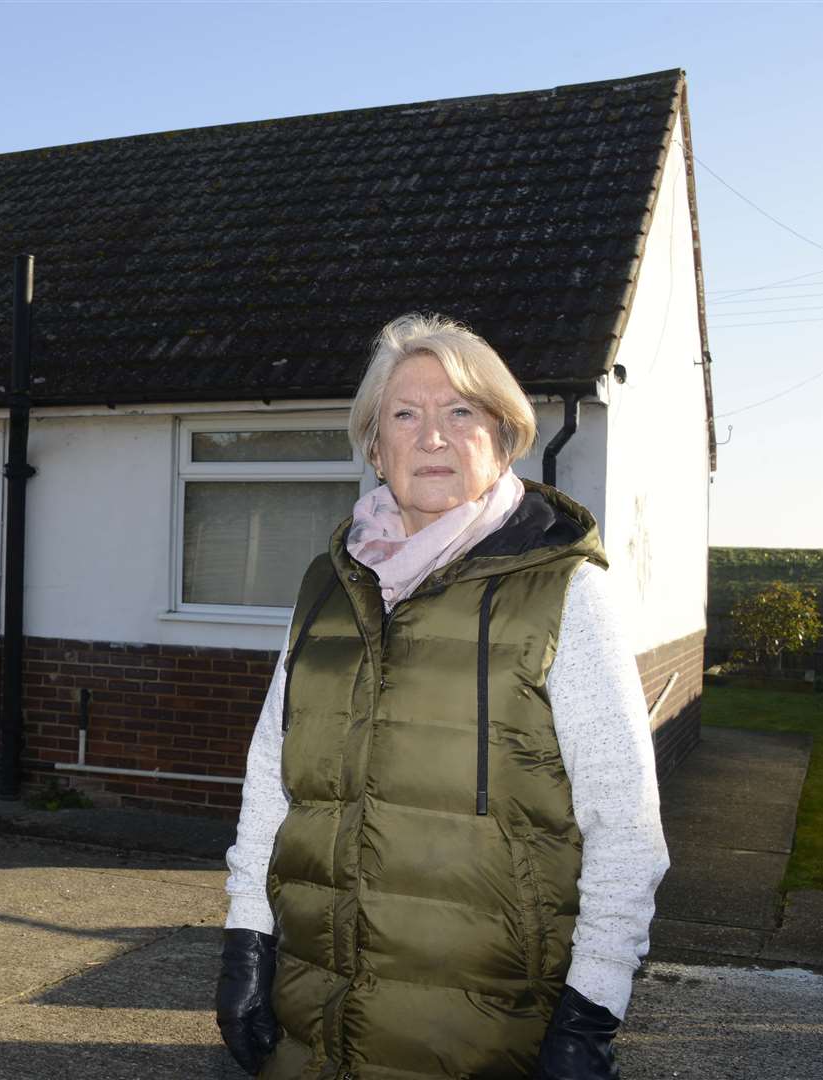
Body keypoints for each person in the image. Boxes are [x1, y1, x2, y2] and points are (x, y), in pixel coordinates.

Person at [215, 313, 670, 1080]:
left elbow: (624, 825)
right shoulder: (328, 586)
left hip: (484, 1028)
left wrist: (590, 1010)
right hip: (309, 1010)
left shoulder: (562, 591)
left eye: (460, 411)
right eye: (405, 414)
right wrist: (244, 941)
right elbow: (272, 782)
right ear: (374, 446)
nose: (432, 436)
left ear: (502, 435)